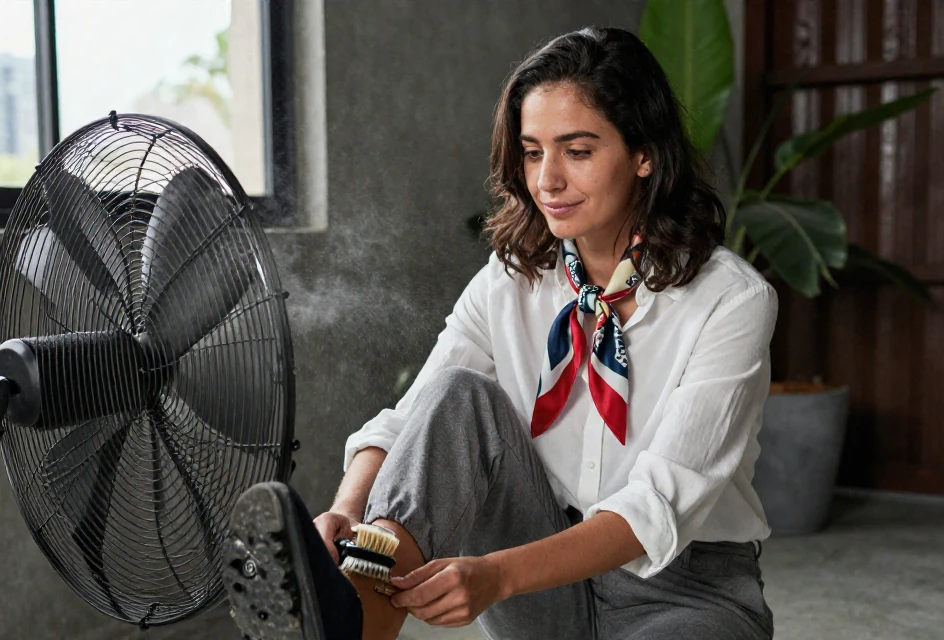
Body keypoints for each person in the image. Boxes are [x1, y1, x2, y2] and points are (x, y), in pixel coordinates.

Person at [224, 26, 778, 640]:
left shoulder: (731, 300)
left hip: (684, 591)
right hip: (546, 572)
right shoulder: (511, 279)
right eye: (533, 151)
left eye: (579, 150)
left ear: (644, 153)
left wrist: (495, 576)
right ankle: (352, 619)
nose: (547, 181)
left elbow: (655, 509)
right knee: (458, 395)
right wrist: (347, 511)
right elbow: (413, 421)